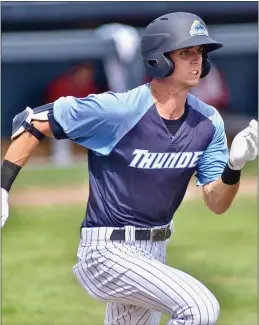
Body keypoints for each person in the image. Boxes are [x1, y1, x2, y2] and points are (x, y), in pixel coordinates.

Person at [1, 12, 258, 325]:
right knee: (200, 307)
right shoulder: (119, 109)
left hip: (153, 252)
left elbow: (216, 202)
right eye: (186, 52)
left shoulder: (207, 122)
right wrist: (3, 188)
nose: (197, 60)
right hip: (106, 251)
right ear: (158, 60)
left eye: (201, 53)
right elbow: (33, 123)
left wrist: (234, 165)